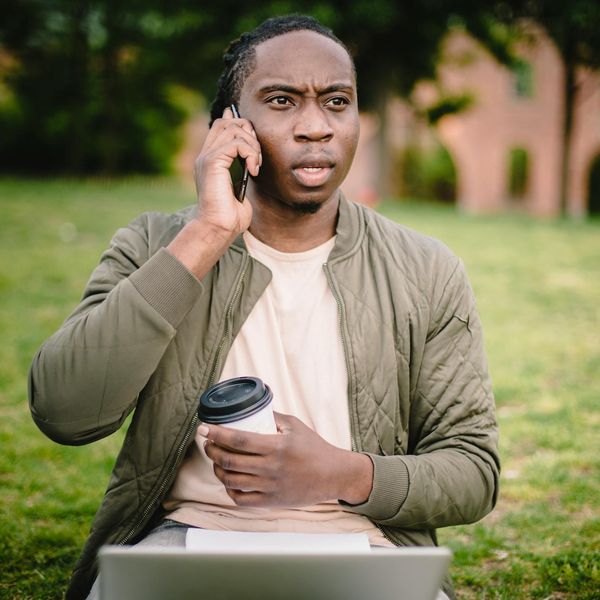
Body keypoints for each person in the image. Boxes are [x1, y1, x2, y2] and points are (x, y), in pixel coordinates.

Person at [28, 14, 499, 600]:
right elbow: (64, 411)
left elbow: (474, 470)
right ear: (231, 127)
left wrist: (340, 472)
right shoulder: (155, 245)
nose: (315, 127)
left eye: (336, 101)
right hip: (188, 540)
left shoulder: (427, 269)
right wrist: (205, 235)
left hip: (367, 546)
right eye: (282, 100)